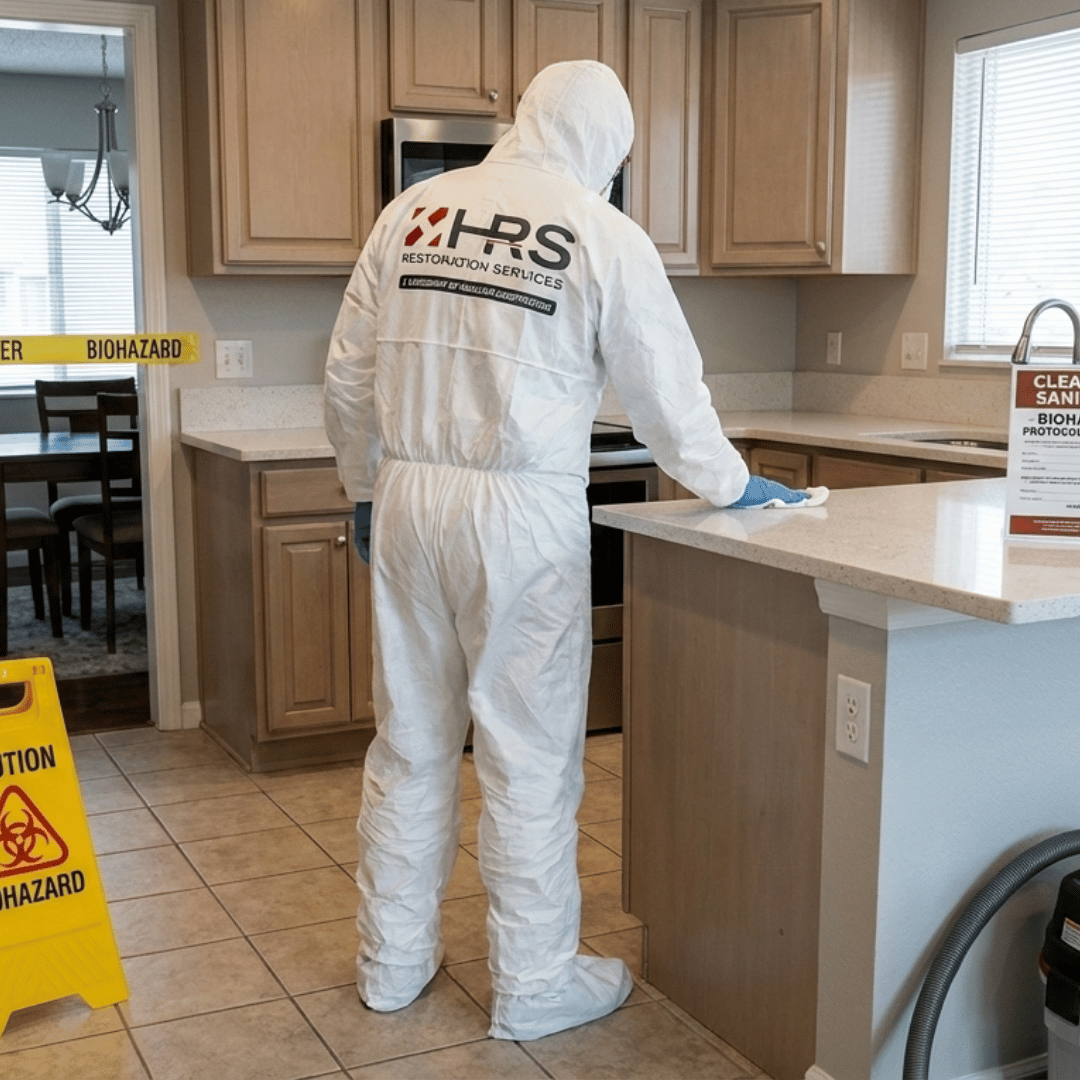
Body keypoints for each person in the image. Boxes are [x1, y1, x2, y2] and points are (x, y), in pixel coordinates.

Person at [324, 59, 824, 1042]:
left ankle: (391, 965)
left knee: (411, 744)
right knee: (527, 756)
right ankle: (535, 983)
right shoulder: (602, 234)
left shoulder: (414, 212)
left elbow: (347, 374)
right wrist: (732, 485)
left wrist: (364, 487)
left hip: (412, 499)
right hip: (522, 512)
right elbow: (668, 400)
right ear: (605, 144)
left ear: (528, 119)